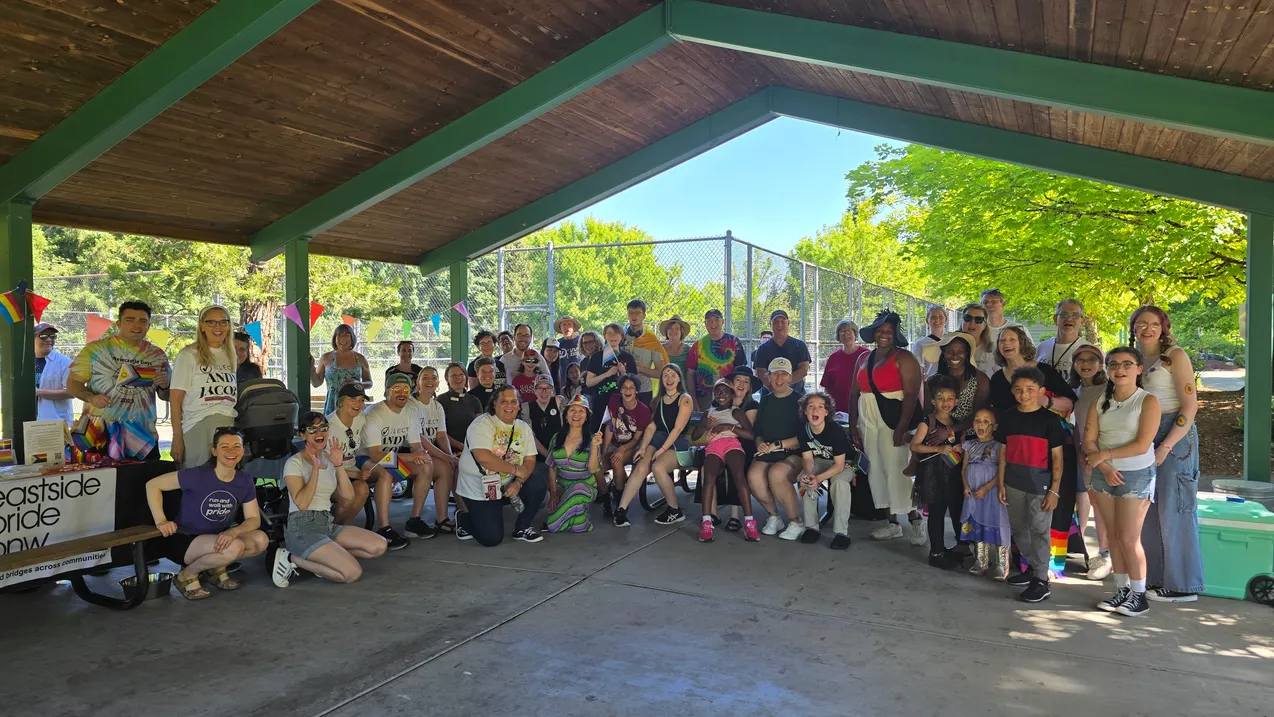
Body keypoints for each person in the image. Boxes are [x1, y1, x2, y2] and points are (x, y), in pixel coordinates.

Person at [988, 325, 1080, 577]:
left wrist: (1043, 401)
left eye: (1012, 339)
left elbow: (1070, 401)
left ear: (1023, 342)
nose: (1007, 344)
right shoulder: (998, 379)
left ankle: (1048, 569)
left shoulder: (1044, 372)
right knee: (1019, 516)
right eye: (1002, 340)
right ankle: (1028, 566)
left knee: (1047, 513)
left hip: (1049, 447)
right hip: (1016, 452)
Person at [1131, 305, 1203, 603]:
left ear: (1163, 328)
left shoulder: (1175, 356)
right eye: (1140, 323)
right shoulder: (1135, 358)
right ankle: (1155, 577)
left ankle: (1183, 585)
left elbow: (1190, 406)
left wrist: (1166, 445)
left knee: (1175, 508)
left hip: (1175, 434)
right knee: (1148, 508)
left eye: (1153, 324)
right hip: (1144, 432)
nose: (1146, 329)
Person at [1084, 346, 1162, 617]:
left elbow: (1142, 444)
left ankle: (1139, 596)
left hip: (1136, 474)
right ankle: (1122, 590)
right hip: (1103, 474)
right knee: (1114, 536)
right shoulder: (1099, 402)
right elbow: (1088, 440)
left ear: (1139, 369)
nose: (1120, 369)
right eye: (1114, 364)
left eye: (1127, 364)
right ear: (1107, 370)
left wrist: (1104, 456)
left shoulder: (1147, 401)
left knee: (1129, 537)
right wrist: (1104, 467)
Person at [146, 427, 269, 600]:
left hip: (216, 537)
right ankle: (186, 575)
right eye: (225, 447)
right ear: (214, 450)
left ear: (243, 450)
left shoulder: (244, 480)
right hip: (185, 539)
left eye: (236, 446)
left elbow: (254, 518)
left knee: (260, 540)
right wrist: (161, 520)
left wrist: (233, 531)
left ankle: (215, 568)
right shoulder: (197, 475)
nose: (231, 451)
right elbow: (153, 485)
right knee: (234, 547)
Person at [272, 412, 388, 587]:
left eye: (323, 428)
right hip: (303, 526)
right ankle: (292, 558)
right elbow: (302, 503)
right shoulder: (294, 463)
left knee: (379, 546)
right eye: (312, 429)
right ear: (302, 434)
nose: (319, 433)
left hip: (327, 523)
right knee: (352, 573)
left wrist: (338, 464)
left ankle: (323, 558)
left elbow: (348, 497)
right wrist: (315, 470)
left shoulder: (329, 458)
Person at [848, 311, 925, 544]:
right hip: (868, 418)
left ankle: (915, 520)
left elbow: (911, 395)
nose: (884, 334)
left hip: (893, 419)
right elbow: (853, 393)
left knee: (898, 468)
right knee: (877, 469)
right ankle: (891, 523)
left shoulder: (905, 358)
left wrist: (901, 427)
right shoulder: (863, 358)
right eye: (880, 330)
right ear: (874, 333)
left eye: (889, 331)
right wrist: (853, 426)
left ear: (895, 335)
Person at [997, 366, 1067, 603]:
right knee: (1019, 528)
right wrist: (1001, 483)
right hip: (1013, 484)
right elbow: (1003, 453)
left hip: (1040, 486)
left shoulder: (1051, 420)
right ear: (1012, 391)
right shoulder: (1008, 417)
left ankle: (1041, 580)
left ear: (1041, 391)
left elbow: (1058, 458)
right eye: (1018, 389)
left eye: (1030, 389)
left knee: (1039, 530)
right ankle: (1035, 568)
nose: (1024, 394)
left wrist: (1055, 490)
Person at [67, 301, 171, 456]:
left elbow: (167, 396)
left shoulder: (157, 355)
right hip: (99, 435)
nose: (137, 325)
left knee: (146, 473)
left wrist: (165, 386)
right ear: (119, 323)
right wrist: (91, 397)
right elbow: (72, 383)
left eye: (143, 321)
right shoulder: (95, 349)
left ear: (149, 326)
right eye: (130, 320)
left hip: (142, 437)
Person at [454, 385, 547, 545]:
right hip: (480, 486)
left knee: (539, 479)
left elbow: (530, 460)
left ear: (519, 406)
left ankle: (522, 527)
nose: (509, 405)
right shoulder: (482, 424)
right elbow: (483, 458)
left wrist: (519, 482)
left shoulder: (523, 427)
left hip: (508, 483)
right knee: (491, 538)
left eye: (513, 401)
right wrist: (516, 470)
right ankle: (462, 518)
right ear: (494, 404)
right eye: (503, 401)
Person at [326, 384, 407, 549]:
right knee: (357, 491)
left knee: (391, 472)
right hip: (332, 473)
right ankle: (327, 533)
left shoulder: (361, 418)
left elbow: (375, 447)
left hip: (354, 465)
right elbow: (326, 465)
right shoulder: (329, 425)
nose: (358, 404)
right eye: (352, 399)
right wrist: (356, 475)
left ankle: (382, 528)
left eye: (361, 400)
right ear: (341, 401)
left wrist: (403, 470)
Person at [363, 374, 444, 539]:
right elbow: (375, 454)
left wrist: (421, 455)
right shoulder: (375, 413)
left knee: (426, 465)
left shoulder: (410, 411)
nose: (402, 393)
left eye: (406, 389)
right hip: (366, 461)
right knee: (386, 473)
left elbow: (416, 445)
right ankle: (384, 528)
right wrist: (411, 457)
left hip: (390, 459)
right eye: (397, 389)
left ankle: (414, 521)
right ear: (387, 391)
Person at [614, 364, 694, 526]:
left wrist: (662, 450)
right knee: (641, 465)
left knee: (658, 467)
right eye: (665, 375)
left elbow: (678, 428)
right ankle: (621, 510)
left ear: (679, 378)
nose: (669, 379)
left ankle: (674, 509)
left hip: (676, 442)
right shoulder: (658, 400)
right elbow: (652, 426)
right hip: (658, 438)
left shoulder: (685, 399)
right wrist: (643, 447)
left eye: (673, 375)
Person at [170, 305, 238, 468]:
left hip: (227, 423)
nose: (218, 327)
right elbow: (176, 398)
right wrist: (177, 436)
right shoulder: (188, 355)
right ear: (202, 326)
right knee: (198, 477)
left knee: (224, 476)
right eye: (211, 322)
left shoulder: (230, 354)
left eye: (223, 322)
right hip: (197, 424)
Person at [746, 358, 806, 540]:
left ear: (790, 377)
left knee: (777, 474)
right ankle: (774, 516)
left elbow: (804, 436)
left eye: (784, 374)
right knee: (753, 476)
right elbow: (758, 432)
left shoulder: (801, 401)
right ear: (768, 377)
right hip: (769, 451)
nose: (779, 378)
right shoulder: (765, 401)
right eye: (775, 374)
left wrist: (778, 445)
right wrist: (760, 444)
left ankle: (796, 522)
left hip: (794, 452)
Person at [692, 379, 757, 542]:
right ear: (714, 394)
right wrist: (702, 426)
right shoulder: (709, 413)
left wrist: (730, 427)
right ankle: (707, 522)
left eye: (726, 392)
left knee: (738, 475)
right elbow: (695, 436)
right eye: (718, 391)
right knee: (709, 477)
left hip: (731, 444)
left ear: (731, 395)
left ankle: (750, 522)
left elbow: (750, 434)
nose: (721, 395)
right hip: (714, 446)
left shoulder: (736, 412)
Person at [910, 377, 965, 569]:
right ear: (933, 401)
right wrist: (938, 449)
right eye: (941, 398)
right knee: (936, 513)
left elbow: (961, 445)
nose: (945, 402)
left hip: (953, 474)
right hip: (932, 475)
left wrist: (958, 448)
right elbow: (914, 446)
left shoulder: (957, 423)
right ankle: (936, 552)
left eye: (950, 398)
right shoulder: (928, 422)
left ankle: (957, 548)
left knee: (957, 511)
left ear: (956, 401)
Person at [1070, 344, 1114, 580]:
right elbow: (1078, 424)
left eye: (1091, 360)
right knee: (1095, 502)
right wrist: (1080, 450)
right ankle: (1101, 553)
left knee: (1108, 505)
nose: (1085, 364)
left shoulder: (1109, 389)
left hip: (1106, 453)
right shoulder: (1076, 391)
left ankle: (1109, 554)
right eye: (1080, 360)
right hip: (1086, 454)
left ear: (1100, 364)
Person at [794, 390, 855, 549]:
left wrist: (819, 478)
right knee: (805, 480)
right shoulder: (803, 429)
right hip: (819, 460)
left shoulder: (835, 431)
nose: (815, 410)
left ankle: (842, 532)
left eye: (820, 407)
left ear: (826, 412)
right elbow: (808, 459)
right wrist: (808, 474)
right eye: (811, 406)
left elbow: (839, 465)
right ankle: (811, 527)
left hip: (844, 462)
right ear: (805, 411)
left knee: (839, 483)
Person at [960, 408, 1011, 579]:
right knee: (976, 522)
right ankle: (980, 560)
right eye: (977, 421)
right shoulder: (969, 445)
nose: (980, 425)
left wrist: (987, 487)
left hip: (992, 492)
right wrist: (965, 485)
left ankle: (1002, 564)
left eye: (985, 421)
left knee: (996, 522)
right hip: (973, 493)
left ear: (994, 426)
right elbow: (964, 469)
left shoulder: (998, 446)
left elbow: (1002, 469)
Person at [545, 395, 603, 533]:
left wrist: (594, 447)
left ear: (586, 417)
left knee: (553, 525)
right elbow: (552, 467)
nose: (576, 414)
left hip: (585, 487)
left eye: (581, 411)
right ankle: (580, 520)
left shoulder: (592, 440)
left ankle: (561, 520)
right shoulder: (556, 438)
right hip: (563, 488)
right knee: (576, 523)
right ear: (566, 415)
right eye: (572, 410)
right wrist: (553, 493)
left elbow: (592, 469)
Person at [411, 366, 458, 533]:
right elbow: (420, 440)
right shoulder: (411, 405)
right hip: (409, 453)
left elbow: (441, 436)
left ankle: (442, 519)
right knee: (436, 465)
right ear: (417, 382)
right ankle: (414, 520)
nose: (429, 381)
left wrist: (450, 457)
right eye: (425, 377)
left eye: (433, 378)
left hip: (426, 453)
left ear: (438, 383)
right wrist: (445, 457)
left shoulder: (437, 406)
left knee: (447, 467)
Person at [922, 332, 989, 437]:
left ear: (967, 354)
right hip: (938, 436)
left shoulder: (980, 379)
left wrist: (950, 430)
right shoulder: (933, 380)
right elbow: (927, 411)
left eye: (960, 352)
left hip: (970, 437)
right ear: (943, 353)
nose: (955, 355)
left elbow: (979, 415)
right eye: (950, 351)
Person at [602, 376, 651, 513]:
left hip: (632, 445)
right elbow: (611, 426)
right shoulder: (614, 399)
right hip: (614, 442)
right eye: (624, 387)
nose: (627, 391)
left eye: (631, 388)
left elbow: (636, 439)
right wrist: (603, 451)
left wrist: (622, 449)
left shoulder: (643, 410)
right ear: (620, 390)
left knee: (616, 460)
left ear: (637, 391)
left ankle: (620, 496)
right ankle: (605, 497)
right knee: (597, 466)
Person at [686, 308, 748, 411]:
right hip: (704, 397)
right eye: (709, 320)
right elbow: (690, 372)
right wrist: (693, 398)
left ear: (722, 322)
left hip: (729, 396)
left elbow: (741, 370)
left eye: (716, 320)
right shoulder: (697, 345)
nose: (713, 323)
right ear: (705, 323)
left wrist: (738, 396)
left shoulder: (734, 342)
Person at [583, 323, 638, 432]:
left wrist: (623, 373)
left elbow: (635, 384)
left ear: (621, 336)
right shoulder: (596, 357)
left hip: (622, 404)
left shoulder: (628, 357)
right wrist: (607, 374)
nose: (613, 336)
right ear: (605, 336)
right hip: (600, 403)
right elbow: (589, 382)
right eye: (609, 333)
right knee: (599, 433)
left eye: (616, 333)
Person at [310, 324, 372, 416]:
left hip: (355, 407)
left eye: (346, 335)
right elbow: (316, 383)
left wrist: (358, 384)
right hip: (333, 406)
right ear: (334, 338)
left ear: (352, 338)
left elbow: (369, 383)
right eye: (339, 335)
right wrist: (311, 368)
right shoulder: (326, 358)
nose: (342, 338)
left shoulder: (360, 358)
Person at [622, 300, 670, 405]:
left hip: (643, 390)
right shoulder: (620, 336)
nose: (634, 316)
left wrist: (639, 368)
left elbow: (661, 372)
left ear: (644, 315)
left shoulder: (652, 340)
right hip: (623, 389)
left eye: (638, 313)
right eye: (631, 313)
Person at [754, 310, 812, 396]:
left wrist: (784, 385)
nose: (779, 325)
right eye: (776, 322)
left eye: (783, 321)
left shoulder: (799, 345)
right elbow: (760, 372)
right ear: (770, 324)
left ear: (788, 323)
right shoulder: (762, 349)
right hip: (770, 395)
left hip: (796, 395)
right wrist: (773, 387)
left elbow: (804, 369)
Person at [819, 319, 868, 416]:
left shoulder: (866, 355)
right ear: (838, 336)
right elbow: (827, 386)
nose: (846, 334)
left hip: (861, 407)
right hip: (838, 410)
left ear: (855, 334)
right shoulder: (833, 357)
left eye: (849, 331)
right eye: (842, 331)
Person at [439, 362, 484, 457]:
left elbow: (480, 428)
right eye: (454, 375)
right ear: (447, 379)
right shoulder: (441, 400)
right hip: (449, 450)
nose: (458, 378)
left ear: (466, 377)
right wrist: (460, 446)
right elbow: (440, 433)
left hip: (473, 447)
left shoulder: (474, 400)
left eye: (461, 375)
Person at [33, 322, 73, 425]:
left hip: (55, 422)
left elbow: (72, 392)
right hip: (29, 421)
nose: (49, 339)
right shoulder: (25, 362)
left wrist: (39, 392)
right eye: (43, 336)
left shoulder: (64, 362)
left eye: (52, 336)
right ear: (33, 339)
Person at [1036, 299, 1087, 377]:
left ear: (1082, 321)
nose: (1069, 319)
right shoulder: (1041, 348)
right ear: (1055, 319)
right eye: (1064, 315)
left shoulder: (1089, 350)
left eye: (1075, 315)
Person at [522, 374, 564, 463]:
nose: (544, 391)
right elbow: (531, 437)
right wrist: (549, 458)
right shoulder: (526, 408)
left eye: (548, 388)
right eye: (540, 388)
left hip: (561, 454)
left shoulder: (558, 402)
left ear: (553, 390)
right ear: (534, 390)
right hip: (538, 459)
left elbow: (566, 429)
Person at [911, 306, 949, 378]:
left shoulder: (952, 340)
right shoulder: (920, 344)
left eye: (941, 317)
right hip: (930, 382)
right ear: (927, 321)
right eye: (933, 317)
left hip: (951, 382)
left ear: (946, 320)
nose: (937, 320)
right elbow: (918, 372)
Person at [960, 303, 996, 376]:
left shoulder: (993, 349)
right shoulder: (949, 345)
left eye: (978, 319)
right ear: (962, 321)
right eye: (968, 318)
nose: (972, 322)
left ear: (985, 325)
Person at [553, 315, 583, 389]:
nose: (566, 327)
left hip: (580, 379)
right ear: (560, 328)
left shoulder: (581, 341)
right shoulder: (558, 343)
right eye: (564, 325)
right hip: (564, 381)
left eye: (569, 324)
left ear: (574, 327)